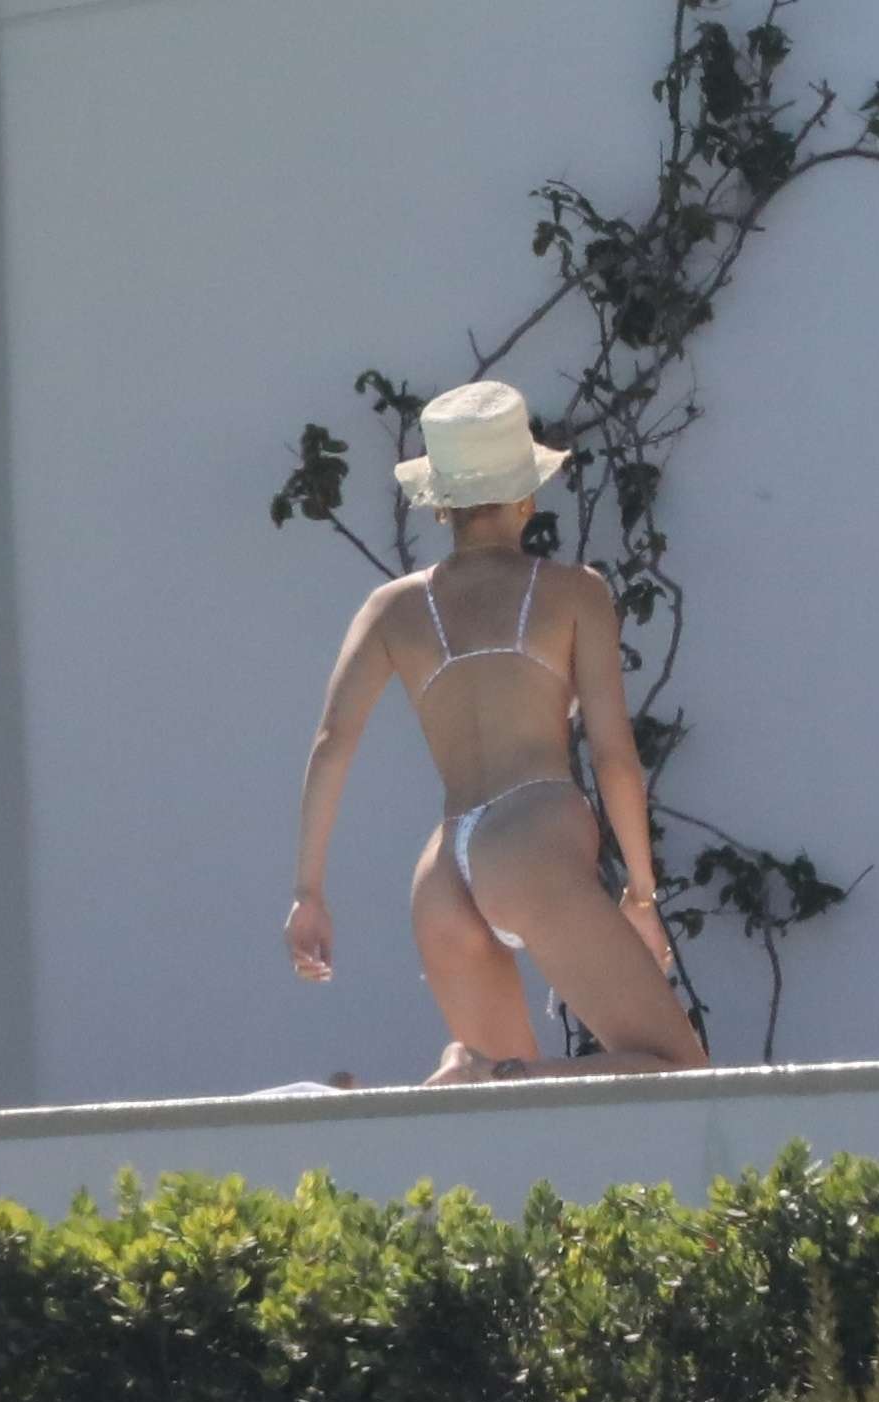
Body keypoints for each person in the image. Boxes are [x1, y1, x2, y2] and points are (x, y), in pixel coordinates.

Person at [283, 381, 709, 1085]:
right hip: (532, 838)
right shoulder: (575, 592)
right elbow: (613, 756)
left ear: (440, 504)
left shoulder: (391, 608)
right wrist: (640, 894)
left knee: (509, 1122)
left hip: (443, 871)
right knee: (681, 1073)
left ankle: (477, 1071)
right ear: (526, 497)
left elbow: (332, 743)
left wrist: (309, 892)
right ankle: (496, 1075)